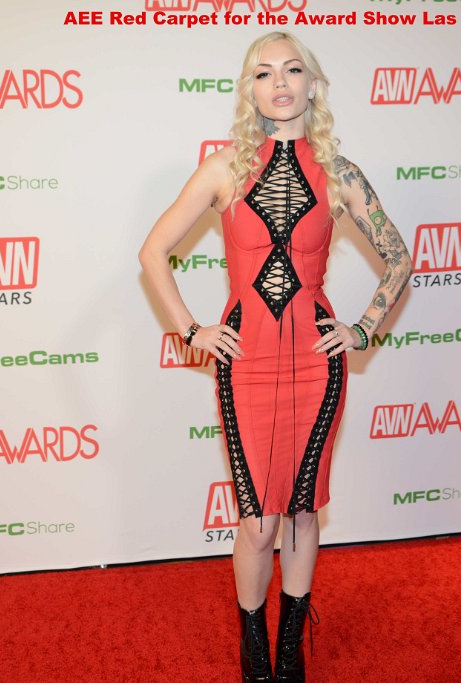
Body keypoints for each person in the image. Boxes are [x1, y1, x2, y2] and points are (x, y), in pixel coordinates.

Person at [139, 31, 412, 683]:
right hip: (247, 363)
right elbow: (153, 252)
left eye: (292, 70)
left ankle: (290, 647)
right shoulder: (224, 169)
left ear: (312, 84)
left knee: (303, 510)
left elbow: (399, 258)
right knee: (259, 520)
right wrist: (190, 329)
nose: (280, 83)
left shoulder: (340, 173)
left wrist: (363, 328)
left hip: (318, 365)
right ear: (250, 90)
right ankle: (253, 641)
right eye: (264, 73)